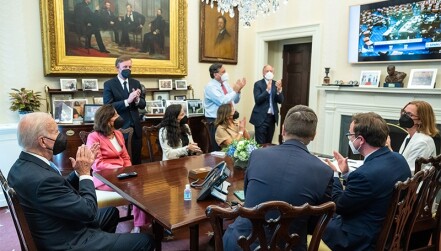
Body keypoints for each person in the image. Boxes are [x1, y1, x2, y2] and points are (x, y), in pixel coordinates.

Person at [7, 112, 153, 250]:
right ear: (43, 142)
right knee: (145, 241)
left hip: (57, 225)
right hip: (70, 241)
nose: (60, 135)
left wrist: (77, 173)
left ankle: (103, 241)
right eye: (56, 132)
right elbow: (88, 211)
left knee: (111, 213)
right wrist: (85, 174)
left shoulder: (20, 167)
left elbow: (59, 192)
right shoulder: (42, 180)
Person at [223, 105, 334, 251]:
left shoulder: (257, 155)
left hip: (242, 244)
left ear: (283, 130)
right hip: (289, 246)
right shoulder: (324, 171)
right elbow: (315, 223)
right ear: (313, 135)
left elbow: (248, 195)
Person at [322, 112, 411, 250]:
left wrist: (334, 174)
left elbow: (340, 206)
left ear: (360, 140)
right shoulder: (399, 159)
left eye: (350, 135)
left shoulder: (364, 175)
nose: (349, 139)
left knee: (313, 220)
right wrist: (345, 173)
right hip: (388, 231)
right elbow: (374, 185)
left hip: (361, 239)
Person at [86, 104, 149, 234]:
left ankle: (142, 222)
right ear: (106, 119)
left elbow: (125, 156)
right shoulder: (94, 137)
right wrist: (119, 168)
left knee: (143, 183)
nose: (119, 117)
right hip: (104, 178)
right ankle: (138, 226)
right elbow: (97, 164)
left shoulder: (118, 134)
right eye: (115, 115)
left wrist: (127, 169)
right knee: (136, 188)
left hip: (123, 174)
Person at [103, 55, 146, 165]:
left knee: (137, 161)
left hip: (136, 129)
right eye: (125, 66)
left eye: (130, 67)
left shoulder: (136, 83)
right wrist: (128, 100)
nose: (128, 69)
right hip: (119, 128)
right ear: (117, 68)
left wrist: (136, 100)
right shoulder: (109, 84)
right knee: (122, 161)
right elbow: (108, 106)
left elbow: (143, 104)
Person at [204, 63, 246, 151]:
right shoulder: (210, 87)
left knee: (231, 146)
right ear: (215, 75)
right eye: (223, 72)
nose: (226, 73)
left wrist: (238, 91)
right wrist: (235, 91)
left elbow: (235, 100)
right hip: (216, 120)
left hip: (227, 119)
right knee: (218, 149)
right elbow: (222, 101)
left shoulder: (225, 84)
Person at [390, 100, 438, 172]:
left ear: (421, 120)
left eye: (409, 114)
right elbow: (402, 162)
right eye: (404, 112)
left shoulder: (422, 142)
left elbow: (409, 172)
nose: (404, 116)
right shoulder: (409, 136)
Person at [250, 64, 284, 144]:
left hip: (272, 118)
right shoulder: (258, 84)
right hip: (261, 118)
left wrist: (279, 91)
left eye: (271, 71)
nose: (269, 72)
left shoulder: (276, 84)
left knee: (269, 143)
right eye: (267, 71)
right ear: (263, 73)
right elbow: (257, 100)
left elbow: (280, 101)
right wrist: (267, 91)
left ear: (273, 73)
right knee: (260, 144)